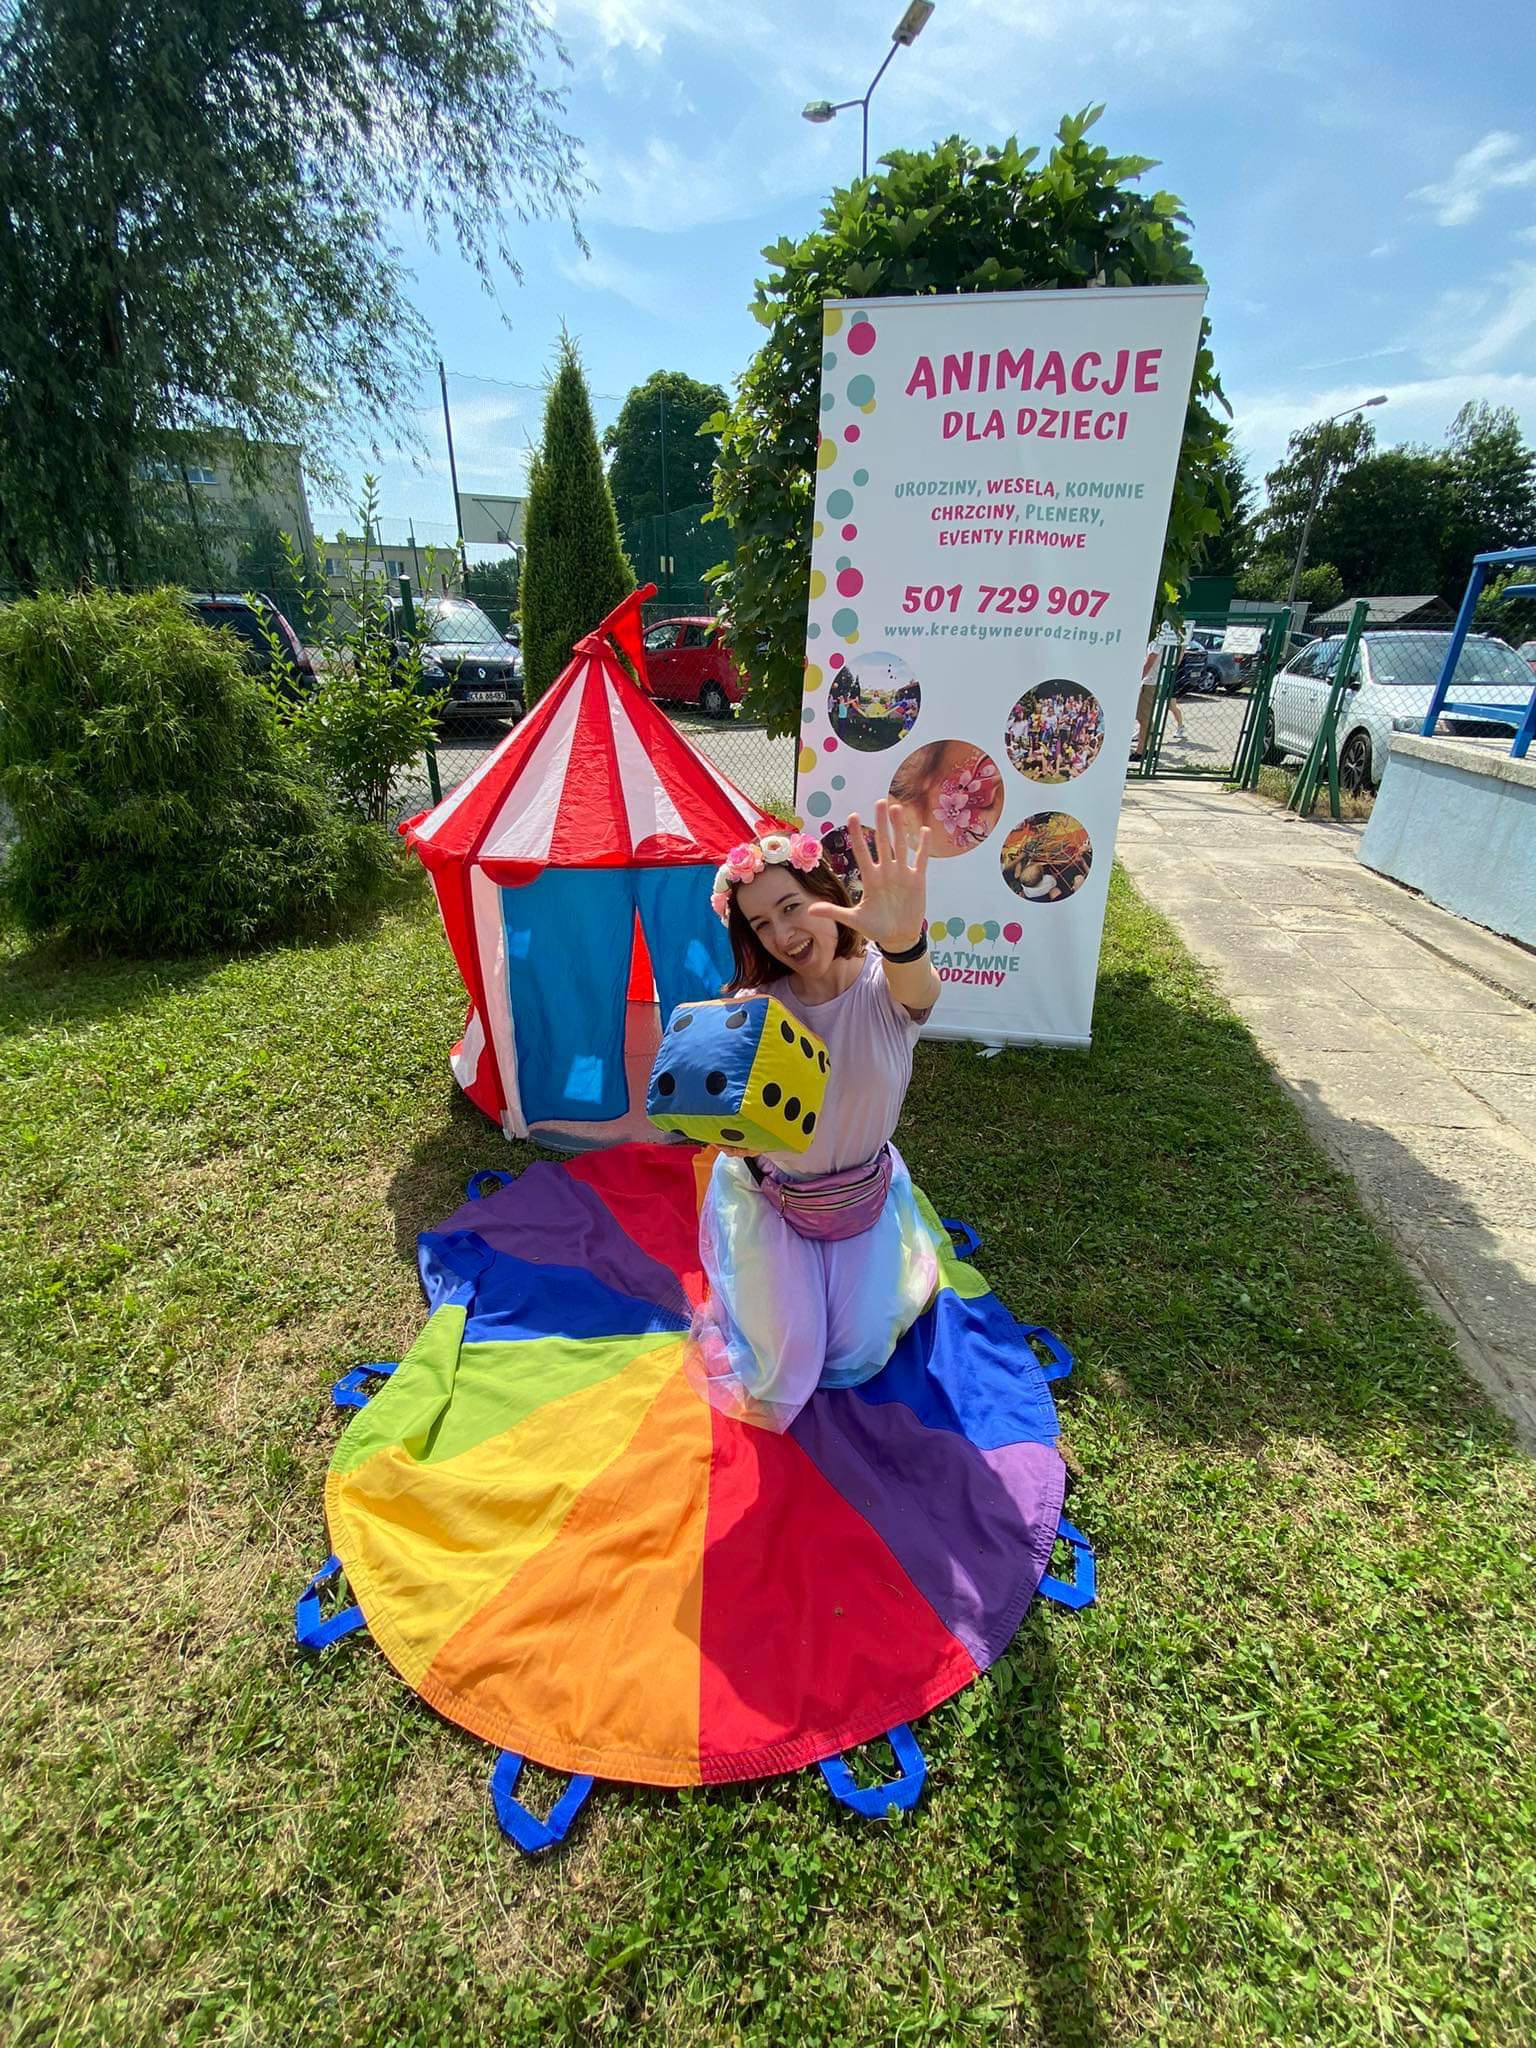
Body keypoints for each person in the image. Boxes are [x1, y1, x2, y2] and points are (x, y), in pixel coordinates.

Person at [690, 800, 943, 1431]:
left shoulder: (886, 988)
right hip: (773, 1198)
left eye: (791, 907)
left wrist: (904, 938)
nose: (782, 934)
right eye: (760, 924)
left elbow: (922, 990)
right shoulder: (758, 1008)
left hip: (859, 1194)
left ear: (825, 894)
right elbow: (717, 1113)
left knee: (853, 1349)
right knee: (787, 1361)